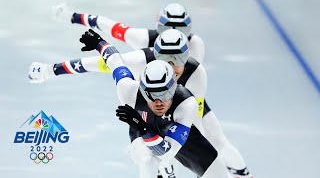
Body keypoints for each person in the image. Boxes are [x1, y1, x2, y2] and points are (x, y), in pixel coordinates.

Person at [29, 29, 253, 178]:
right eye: (151, 94)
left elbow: (169, 150)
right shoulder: (128, 89)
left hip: (171, 123)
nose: (158, 102)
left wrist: (148, 132)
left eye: (164, 93)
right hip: (143, 124)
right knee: (146, 161)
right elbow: (109, 60)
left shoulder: (187, 101)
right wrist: (52, 69)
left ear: (175, 87)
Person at [52, 2, 205, 63]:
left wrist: (72, 17)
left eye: (180, 29)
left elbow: (106, 25)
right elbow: (107, 24)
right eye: (169, 28)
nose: (174, 34)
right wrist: (72, 17)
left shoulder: (195, 43)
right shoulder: (142, 39)